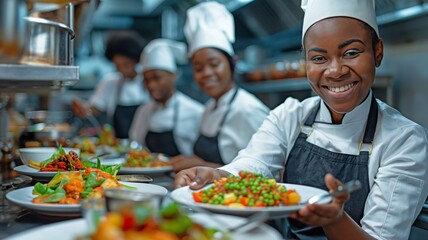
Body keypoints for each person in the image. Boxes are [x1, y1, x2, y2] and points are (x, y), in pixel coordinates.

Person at [174, 0, 428, 239]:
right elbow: (254, 164)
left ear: (378, 52)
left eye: (351, 52)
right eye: (318, 58)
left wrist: (335, 220)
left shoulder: (404, 140)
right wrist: (218, 176)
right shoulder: (291, 115)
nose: (335, 70)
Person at [169, 2, 269, 172]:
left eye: (214, 64)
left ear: (232, 64)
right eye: (198, 68)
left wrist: (202, 167)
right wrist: (191, 160)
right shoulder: (208, 108)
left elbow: (266, 171)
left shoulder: (248, 110)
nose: (206, 73)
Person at [129, 38, 204, 157]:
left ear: (173, 75)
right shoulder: (144, 111)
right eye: (146, 80)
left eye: (157, 78)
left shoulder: (196, 112)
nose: (151, 85)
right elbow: (135, 147)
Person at [71, 31, 149, 139]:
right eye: (117, 65)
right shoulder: (110, 82)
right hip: (118, 147)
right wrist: (84, 109)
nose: (122, 70)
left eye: (125, 65)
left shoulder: (147, 82)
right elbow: (94, 109)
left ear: (136, 61)